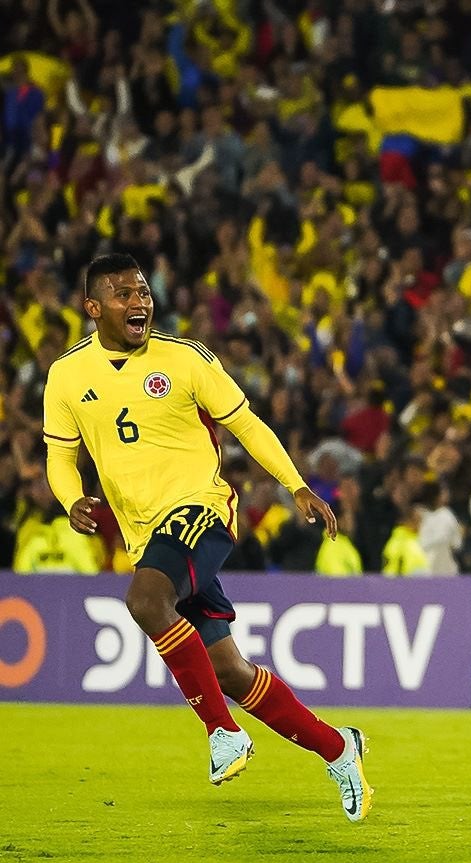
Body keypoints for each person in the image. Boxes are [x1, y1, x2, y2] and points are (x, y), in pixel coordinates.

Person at [42, 254, 373, 821]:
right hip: (147, 536)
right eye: (123, 294)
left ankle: (223, 732)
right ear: (93, 307)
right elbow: (60, 456)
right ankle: (339, 748)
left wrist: (295, 485)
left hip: (201, 509)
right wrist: (71, 499)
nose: (139, 302)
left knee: (145, 600)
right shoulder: (67, 375)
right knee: (229, 672)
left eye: (143, 292)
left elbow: (245, 423)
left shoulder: (185, 359)